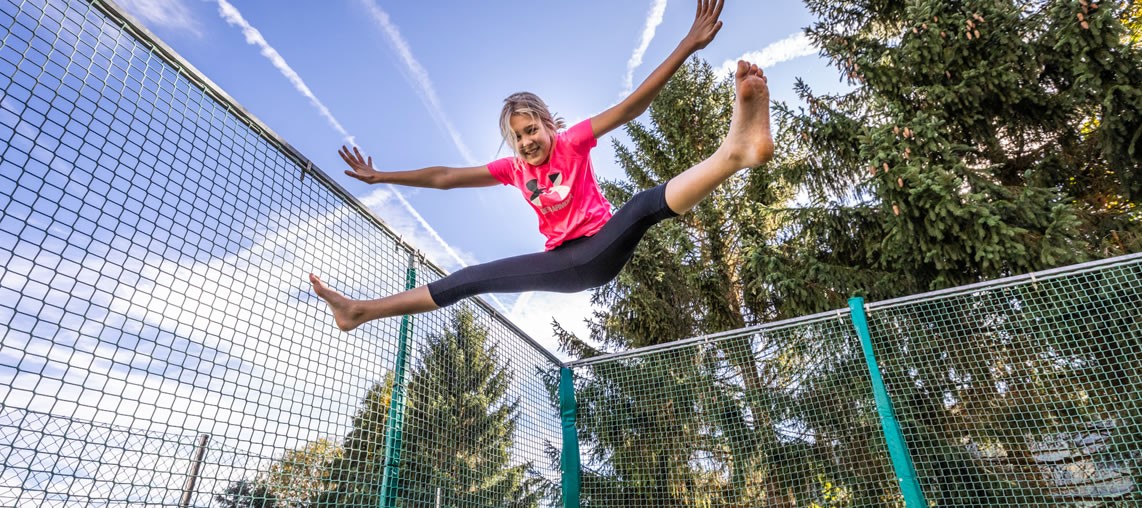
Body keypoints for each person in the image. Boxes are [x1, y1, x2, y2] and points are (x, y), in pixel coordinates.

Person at [310, 0, 773, 331]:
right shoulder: (513, 170)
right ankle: (359, 311)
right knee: (471, 278)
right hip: (561, 264)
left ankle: (734, 154)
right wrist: (381, 175)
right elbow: (444, 178)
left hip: (599, 247)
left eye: (532, 130)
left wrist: (687, 44)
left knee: (642, 206)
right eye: (517, 136)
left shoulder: (572, 143)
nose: (527, 141)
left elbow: (631, 107)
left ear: (549, 125)